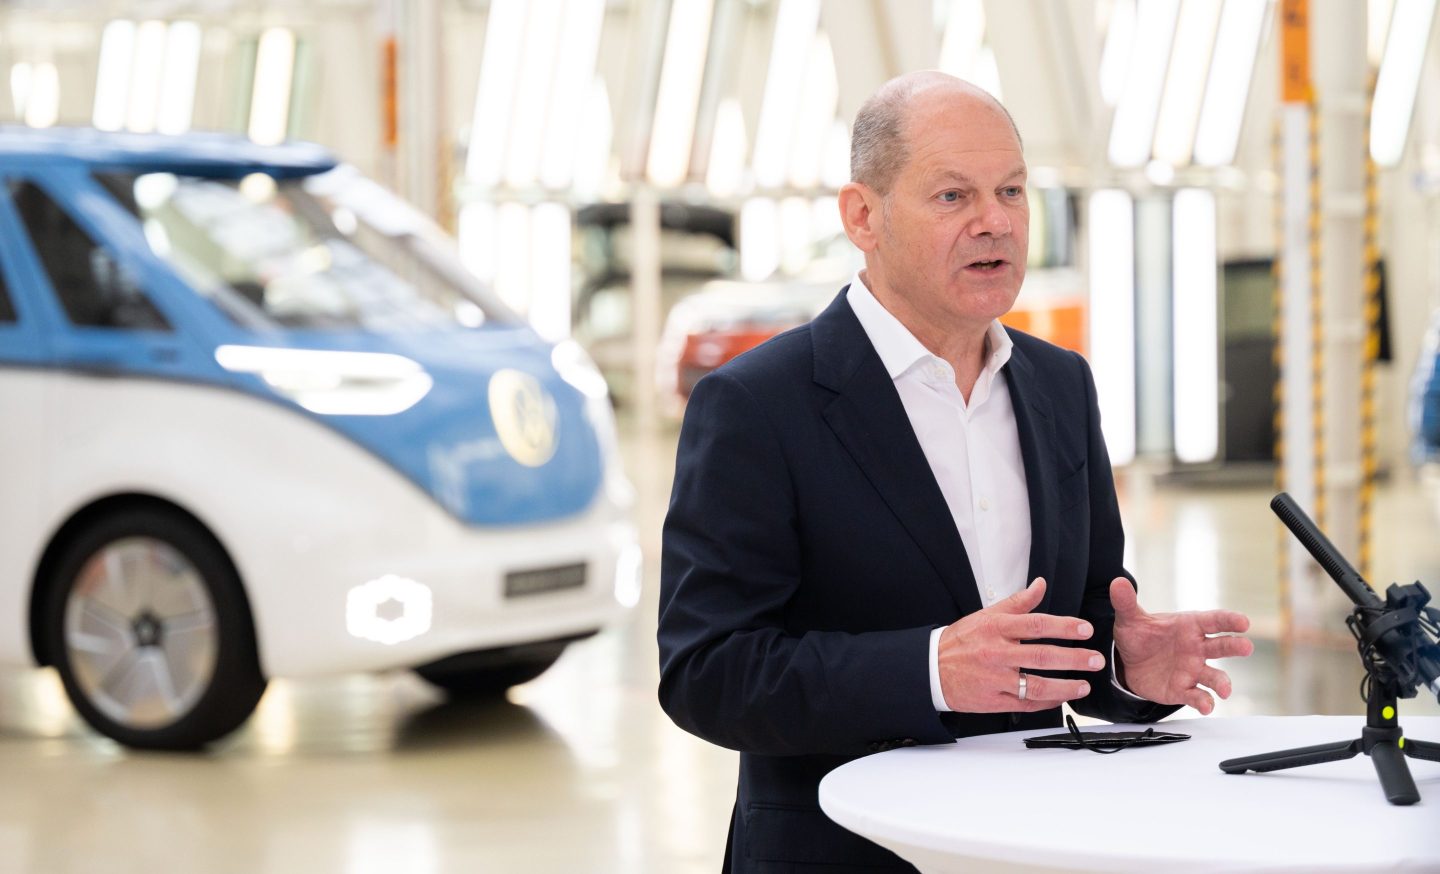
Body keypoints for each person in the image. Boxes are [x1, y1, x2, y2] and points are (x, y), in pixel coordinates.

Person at [657, 71, 1254, 874]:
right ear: (862, 217)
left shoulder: (1060, 385)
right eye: (953, 196)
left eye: (1011, 191)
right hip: (844, 851)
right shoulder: (757, 404)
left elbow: (1076, 619)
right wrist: (929, 671)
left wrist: (1123, 666)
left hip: (1031, 844)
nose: (996, 222)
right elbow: (706, 672)